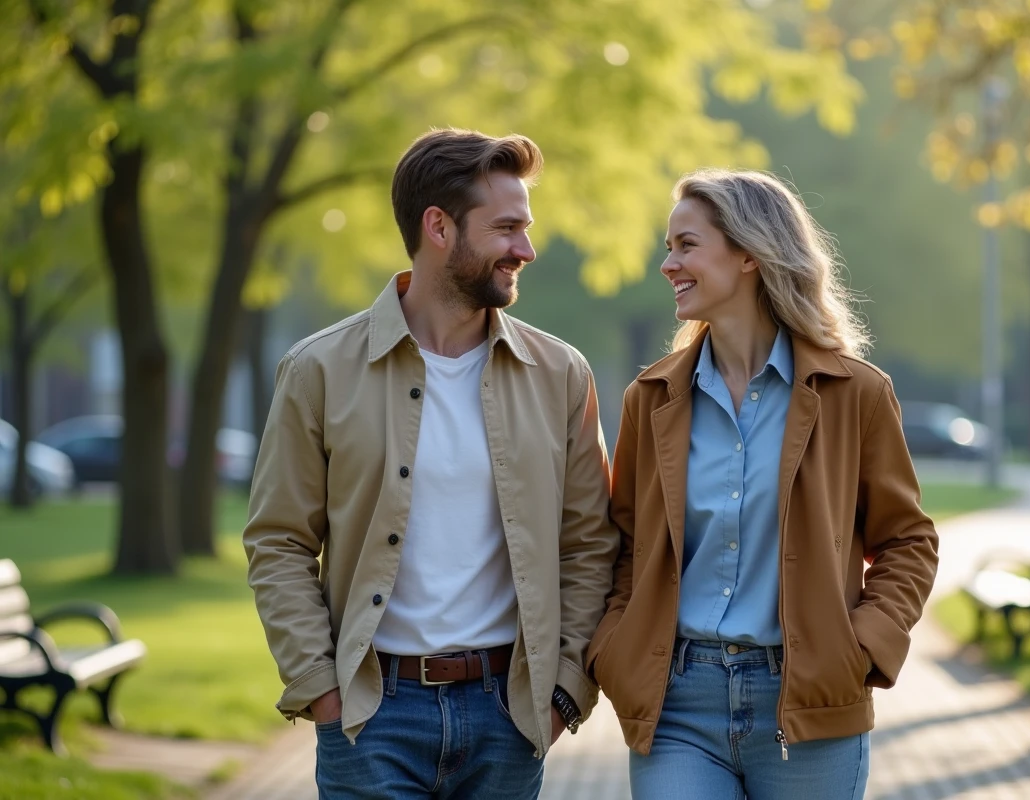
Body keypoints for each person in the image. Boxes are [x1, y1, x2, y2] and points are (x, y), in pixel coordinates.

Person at [244, 128, 617, 799]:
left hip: (509, 718)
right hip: (371, 718)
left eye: (525, 228)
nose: (525, 250)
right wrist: (322, 691)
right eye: (506, 228)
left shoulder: (560, 373)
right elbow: (278, 541)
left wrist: (565, 692)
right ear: (438, 227)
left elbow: (591, 544)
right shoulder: (319, 369)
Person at [586, 168, 939, 800]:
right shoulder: (651, 397)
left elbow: (908, 540)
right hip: (678, 705)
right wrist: (614, 649)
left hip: (808, 704)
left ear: (749, 253)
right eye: (670, 247)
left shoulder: (855, 393)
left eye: (686, 245)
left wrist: (860, 648)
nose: (669, 264)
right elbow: (625, 544)